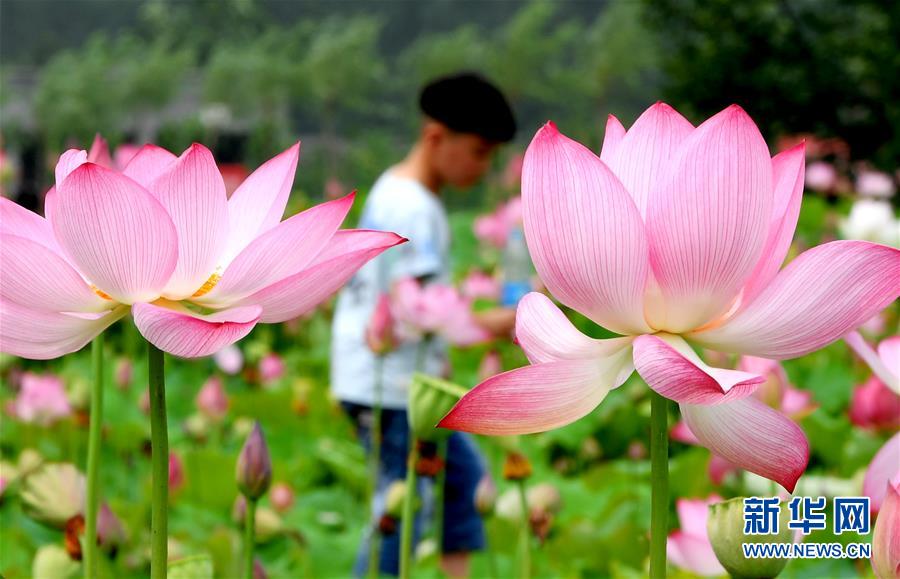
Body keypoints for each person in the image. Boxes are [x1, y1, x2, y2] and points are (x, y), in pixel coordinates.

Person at [330, 72, 517, 577]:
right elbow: (424, 315)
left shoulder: (396, 190)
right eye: (479, 152)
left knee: (456, 483)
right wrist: (509, 321)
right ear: (437, 137)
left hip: (380, 375)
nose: (484, 167)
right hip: (390, 385)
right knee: (404, 501)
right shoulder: (415, 208)